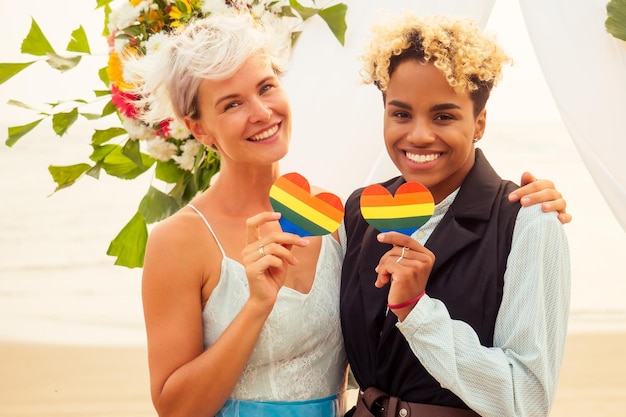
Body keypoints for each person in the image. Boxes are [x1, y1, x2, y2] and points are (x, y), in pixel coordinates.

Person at [134, 11, 570, 417]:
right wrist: (256, 307)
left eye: (266, 87)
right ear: (198, 128)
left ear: (480, 123)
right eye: (231, 103)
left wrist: (532, 213)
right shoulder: (350, 214)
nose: (262, 112)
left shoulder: (341, 217)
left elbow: (523, 395)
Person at [340, 13, 571, 417]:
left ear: (479, 122)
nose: (419, 135)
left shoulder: (529, 221)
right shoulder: (359, 211)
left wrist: (418, 310)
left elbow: (527, 399)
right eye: (401, 114)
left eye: (443, 116)